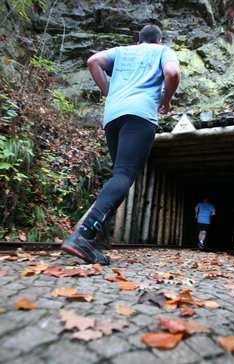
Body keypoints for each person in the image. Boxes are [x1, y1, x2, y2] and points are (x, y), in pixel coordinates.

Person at [61, 25, 181, 265]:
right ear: (159, 39)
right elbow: (172, 74)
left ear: (139, 39)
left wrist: (107, 90)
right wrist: (166, 100)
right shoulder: (162, 50)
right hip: (140, 115)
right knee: (124, 175)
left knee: (119, 175)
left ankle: (95, 239)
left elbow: (93, 61)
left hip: (112, 117)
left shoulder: (122, 51)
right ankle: (83, 235)